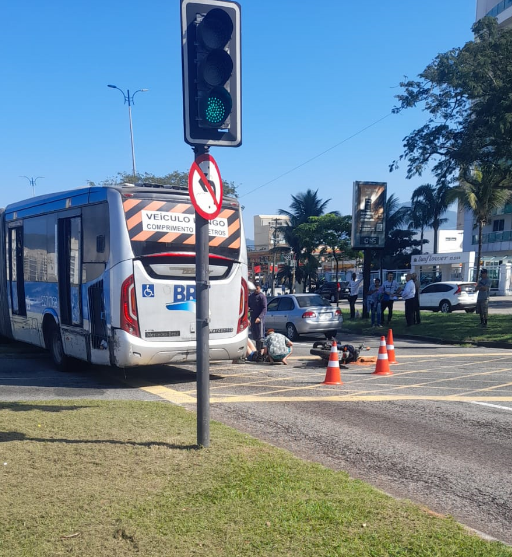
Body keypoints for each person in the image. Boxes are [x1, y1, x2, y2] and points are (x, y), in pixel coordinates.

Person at [248, 282, 267, 356]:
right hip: (253, 318)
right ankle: (258, 352)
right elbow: (248, 306)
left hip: (259, 319)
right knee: (255, 336)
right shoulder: (251, 296)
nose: (256, 290)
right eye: (255, 288)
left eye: (257, 288)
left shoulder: (262, 296)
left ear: (260, 288)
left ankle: (261, 353)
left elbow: (264, 308)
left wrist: (260, 317)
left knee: (260, 337)